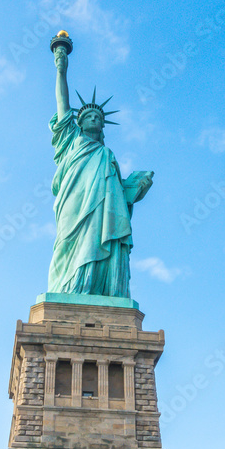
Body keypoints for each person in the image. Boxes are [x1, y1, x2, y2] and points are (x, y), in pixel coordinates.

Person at [47, 43, 153, 297]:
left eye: (99, 117)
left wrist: (136, 188)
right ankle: (66, 291)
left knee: (100, 240)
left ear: (103, 127)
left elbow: (118, 194)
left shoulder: (107, 155)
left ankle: (100, 292)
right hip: (74, 203)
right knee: (66, 245)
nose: (94, 118)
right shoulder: (71, 141)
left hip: (103, 209)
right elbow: (63, 103)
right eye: (88, 116)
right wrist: (61, 69)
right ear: (80, 123)